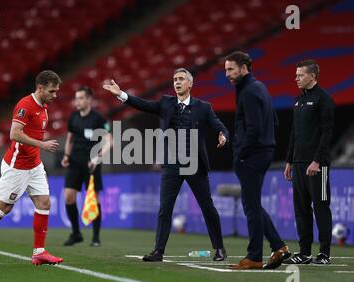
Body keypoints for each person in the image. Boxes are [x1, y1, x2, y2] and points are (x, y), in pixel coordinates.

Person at [103, 68, 229, 262]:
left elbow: (218, 124)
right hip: (172, 164)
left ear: (190, 84)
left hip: (195, 164)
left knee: (207, 207)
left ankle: (219, 248)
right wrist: (121, 94)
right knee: (165, 208)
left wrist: (223, 134)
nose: (177, 82)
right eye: (175, 79)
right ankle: (158, 251)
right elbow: (143, 105)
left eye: (181, 79)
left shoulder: (204, 107)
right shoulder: (166, 103)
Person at [0, 70, 63, 268]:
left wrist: (38, 149)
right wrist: (42, 144)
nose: (55, 95)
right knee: (4, 207)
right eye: (52, 91)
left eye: (56, 91)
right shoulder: (25, 105)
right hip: (17, 165)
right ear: (40, 88)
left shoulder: (44, 107)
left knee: (44, 203)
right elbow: (14, 134)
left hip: (34, 165)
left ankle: (39, 252)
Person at [225, 51, 290, 270]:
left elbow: (253, 127)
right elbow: (274, 120)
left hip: (252, 155)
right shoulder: (258, 87)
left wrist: (240, 153)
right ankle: (278, 246)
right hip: (262, 152)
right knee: (253, 204)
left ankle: (254, 256)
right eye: (226, 70)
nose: (227, 74)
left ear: (244, 68)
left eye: (231, 69)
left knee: (250, 206)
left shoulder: (249, 91)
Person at [283, 59, 334, 265]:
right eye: (296, 75)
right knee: (301, 209)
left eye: (300, 75)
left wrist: (317, 160)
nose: (296, 78)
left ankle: (324, 253)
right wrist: (289, 161)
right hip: (298, 163)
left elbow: (327, 132)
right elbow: (294, 133)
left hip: (317, 166)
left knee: (321, 207)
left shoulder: (323, 99)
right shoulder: (299, 101)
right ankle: (304, 252)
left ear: (312, 76)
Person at [61, 86, 112, 247]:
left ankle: (96, 237)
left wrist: (97, 157)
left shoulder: (98, 119)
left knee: (93, 199)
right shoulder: (73, 117)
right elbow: (69, 139)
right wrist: (66, 156)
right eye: (76, 98)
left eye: (81, 98)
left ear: (89, 100)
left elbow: (109, 141)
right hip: (75, 162)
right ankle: (76, 233)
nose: (77, 101)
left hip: (91, 164)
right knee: (69, 196)